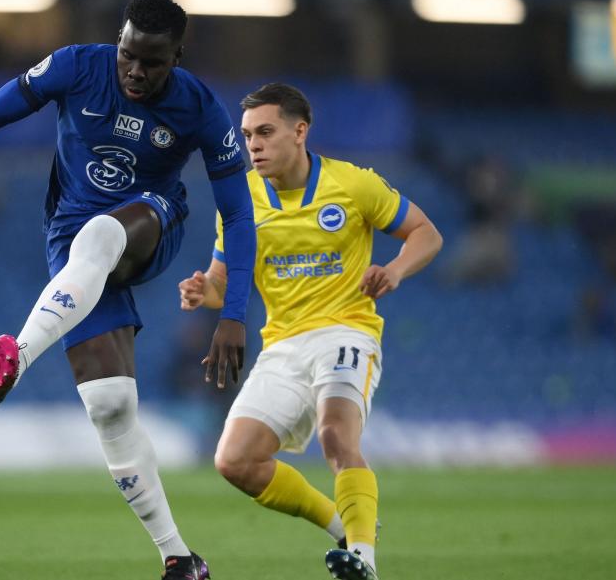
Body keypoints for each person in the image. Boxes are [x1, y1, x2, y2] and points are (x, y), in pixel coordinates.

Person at [0, 0, 256, 580]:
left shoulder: (199, 107)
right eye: (127, 56)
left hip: (151, 223)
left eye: (152, 62)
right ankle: (179, 558)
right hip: (74, 249)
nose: (136, 72)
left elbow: (239, 216)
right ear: (117, 42)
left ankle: (16, 355)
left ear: (177, 57)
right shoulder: (75, 65)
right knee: (110, 405)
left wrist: (234, 313)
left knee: (104, 230)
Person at [178, 83, 443, 580]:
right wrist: (202, 292)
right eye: (247, 135)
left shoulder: (353, 185)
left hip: (347, 331)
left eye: (265, 132)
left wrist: (397, 270)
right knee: (235, 460)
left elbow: (426, 233)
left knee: (336, 435)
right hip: (281, 346)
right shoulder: (240, 203)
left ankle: (364, 561)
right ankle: (344, 528)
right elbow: (221, 282)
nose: (252, 145)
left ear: (300, 132)